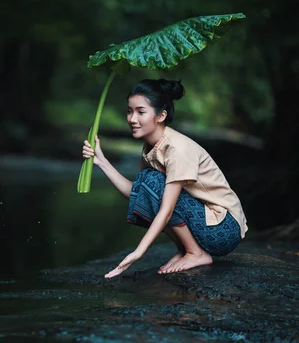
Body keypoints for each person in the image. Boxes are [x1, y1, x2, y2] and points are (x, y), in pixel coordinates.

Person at [82, 78, 248, 279]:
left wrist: (138, 252)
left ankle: (196, 253)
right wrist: (102, 162)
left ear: (161, 115)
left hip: (224, 228)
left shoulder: (177, 149)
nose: (132, 119)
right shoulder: (151, 146)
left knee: (152, 180)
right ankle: (187, 249)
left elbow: (166, 210)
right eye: (129, 111)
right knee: (148, 181)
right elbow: (138, 193)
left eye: (141, 112)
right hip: (206, 223)